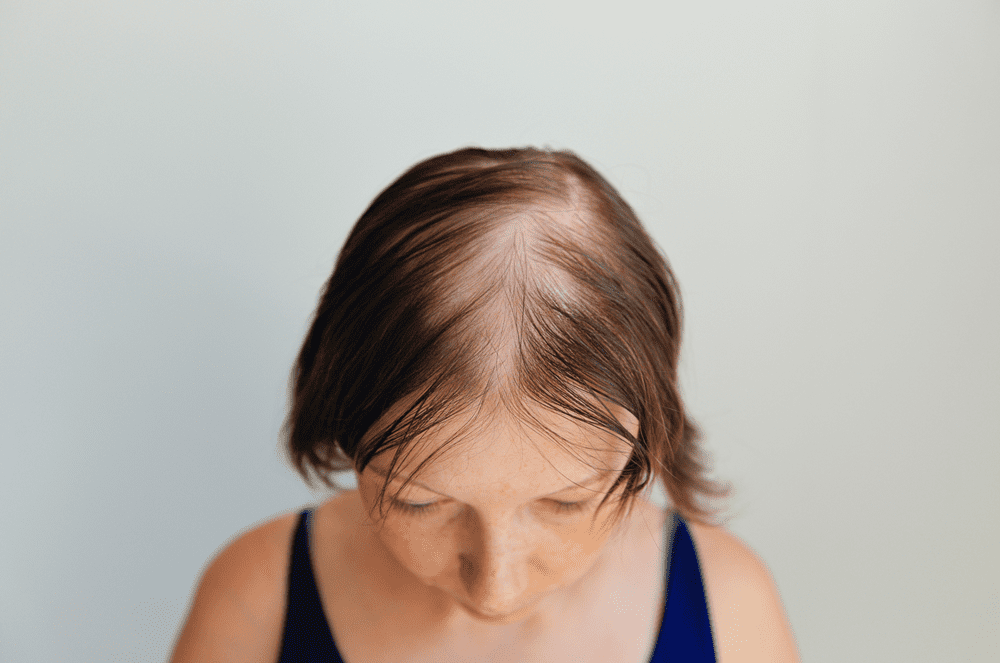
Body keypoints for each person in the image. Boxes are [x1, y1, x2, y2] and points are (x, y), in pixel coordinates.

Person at [169, 147, 800, 663]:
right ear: (343, 423)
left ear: (649, 430)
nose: (496, 588)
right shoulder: (260, 595)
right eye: (423, 503)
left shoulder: (725, 604)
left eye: (566, 503)